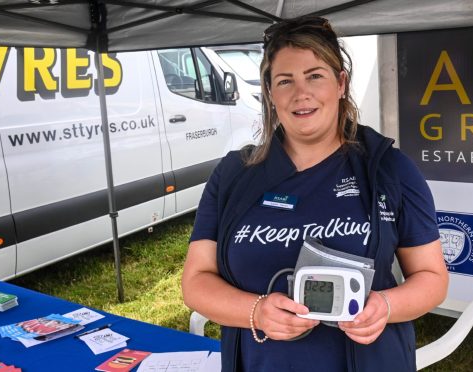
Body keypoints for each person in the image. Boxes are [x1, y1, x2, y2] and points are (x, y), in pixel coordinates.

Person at [181, 15, 448, 372]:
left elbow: (432, 278)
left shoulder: (389, 169)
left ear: (340, 83)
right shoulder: (233, 175)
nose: (301, 93)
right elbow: (196, 281)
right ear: (270, 92)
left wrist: (385, 306)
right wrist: (257, 312)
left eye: (315, 76)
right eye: (285, 81)